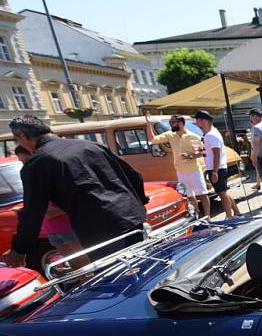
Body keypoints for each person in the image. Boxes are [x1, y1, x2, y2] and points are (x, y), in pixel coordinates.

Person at [2, 115, 148, 266]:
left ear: (22, 136)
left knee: (116, 278)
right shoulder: (90, 144)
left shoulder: (37, 162)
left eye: (17, 140)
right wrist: (140, 203)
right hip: (132, 218)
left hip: (101, 229)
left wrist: (19, 250)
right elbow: (134, 176)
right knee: (145, 268)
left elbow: (33, 212)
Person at [13, 146, 90, 270]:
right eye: (22, 162)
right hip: (51, 229)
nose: (25, 165)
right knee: (74, 266)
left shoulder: (54, 175)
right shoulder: (33, 179)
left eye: (27, 161)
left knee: (85, 264)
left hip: (67, 227)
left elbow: (73, 201)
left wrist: (49, 212)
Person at [150, 115, 210, 217]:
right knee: (189, 197)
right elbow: (153, 140)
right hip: (181, 172)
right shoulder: (171, 135)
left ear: (181, 123)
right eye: (171, 122)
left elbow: (203, 153)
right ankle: (196, 217)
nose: (171, 125)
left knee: (203, 195)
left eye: (173, 122)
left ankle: (208, 217)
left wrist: (190, 156)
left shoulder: (193, 137)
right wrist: (148, 123)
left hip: (194, 171)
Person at [194, 110, 241, 218]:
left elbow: (217, 154)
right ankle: (237, 212)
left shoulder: (211, 135)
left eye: (197, 120)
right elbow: (211, 152)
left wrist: (214, 172)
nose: (196, 123)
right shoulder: (210, 133)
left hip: (217, 168)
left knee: (222, 195)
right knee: (223, 193)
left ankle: (229, 217)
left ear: (202, 121)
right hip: (217, 168)